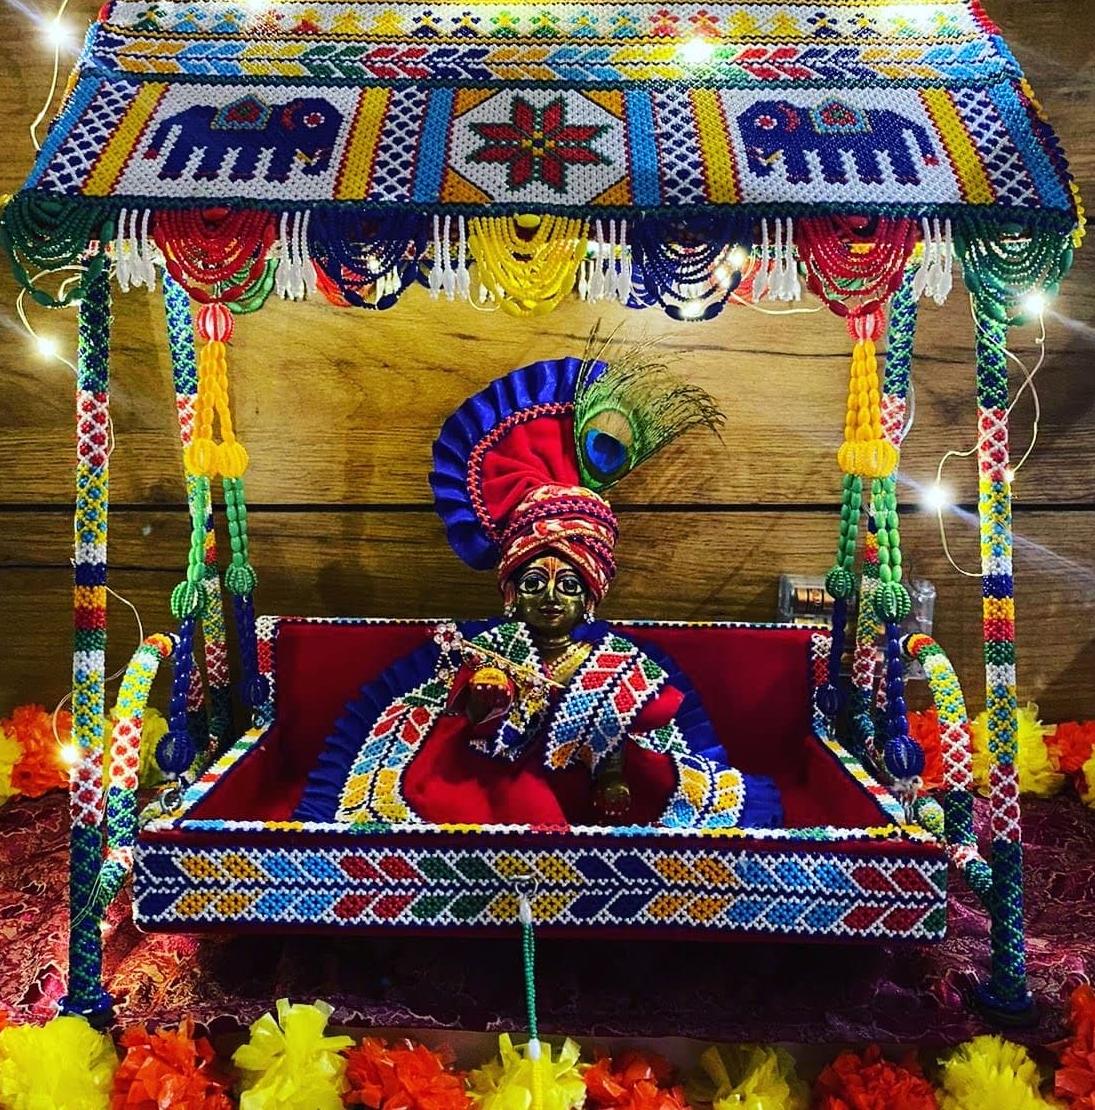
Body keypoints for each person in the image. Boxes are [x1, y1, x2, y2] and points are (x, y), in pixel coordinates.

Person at [295, 343, 783, 830]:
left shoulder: (616, 663)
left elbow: (617, 736)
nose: (550, 597)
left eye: (569, 584)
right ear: (510, 591)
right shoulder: (491, 647)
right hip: (496, 780)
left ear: (591, 595)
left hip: (587, 790)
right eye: (533, 581)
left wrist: (611, 776)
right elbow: (460, 716)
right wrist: (482, 700)